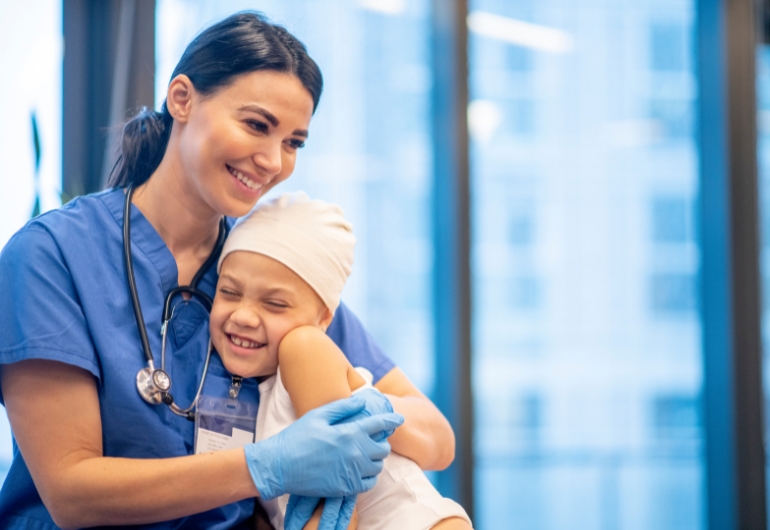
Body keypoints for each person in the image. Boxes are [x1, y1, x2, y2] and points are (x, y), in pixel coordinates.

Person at [0, 11, 453, 529]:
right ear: (182, 99)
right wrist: (269, 464)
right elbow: (71, 492)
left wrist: (357, 413)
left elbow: (436, 437)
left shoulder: (267, 269)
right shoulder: (52, 256)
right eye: (257, 125)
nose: (272, 160)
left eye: (293, 142)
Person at [209, 191, 472, 530]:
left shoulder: (304, 348)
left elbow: (338, 494)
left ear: (324, 319)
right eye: (229, 292)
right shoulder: (261, 393)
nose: (244, 315)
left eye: (275, 304)